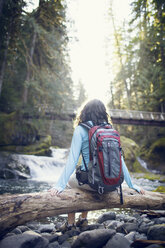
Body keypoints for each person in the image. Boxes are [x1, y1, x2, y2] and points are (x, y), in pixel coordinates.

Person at [49, 99, 145, 229]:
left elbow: (72, 160)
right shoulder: (109, 130)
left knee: (71, 182)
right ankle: (83, 219)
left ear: (85, 112)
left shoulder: (80, 129)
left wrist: (59, 185)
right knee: (90, 173)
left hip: (93, 183)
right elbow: (120, 161)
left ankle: (70, 224)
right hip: (112, 184)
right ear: (103, 113)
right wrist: (132, 185)